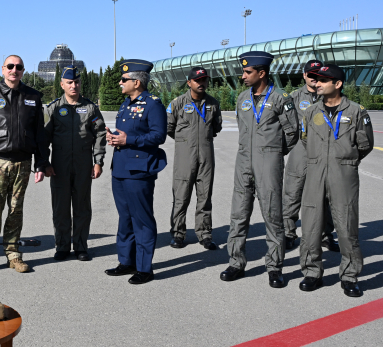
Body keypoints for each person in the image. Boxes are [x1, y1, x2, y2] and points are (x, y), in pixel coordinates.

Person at [220, 51, 298, 289]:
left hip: (268, 162)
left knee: (273, 215)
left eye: (247, 72)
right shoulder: (243, 97)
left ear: (261, 73)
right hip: (243, 161)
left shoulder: (281, 99)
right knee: (238, 214)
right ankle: (236, 262)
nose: (243, 76)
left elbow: (292, 133)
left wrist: (272, 152)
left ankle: (274, 267)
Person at [297, 63, 373, 297]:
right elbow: (305, 139)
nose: (316, 83)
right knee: (310, 225)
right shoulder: (311, 112)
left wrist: (344, 160)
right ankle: (311, 272)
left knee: (346, 225)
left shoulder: (357, 111)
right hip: (315, 172)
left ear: (337, 84)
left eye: (322, 80)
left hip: (344, 173)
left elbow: (365, 145)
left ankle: (350, 276)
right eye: (316, 80)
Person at [0, 55, 50, 274]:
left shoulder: (33, 96)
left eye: (19, 67)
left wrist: (41, 163)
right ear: (3, 69)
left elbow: (39, 134)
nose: (14, 70)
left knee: (16, 211)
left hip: (23, 163)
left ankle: (13, 255)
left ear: (23, 71)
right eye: (10, 66)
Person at [104, 60, 168, 285]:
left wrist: (127, 139)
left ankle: (144, 268)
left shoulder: (153, 104)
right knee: (125, 218)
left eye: (124, 80)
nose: (120, 83)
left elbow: (159, 136)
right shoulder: (126, 103)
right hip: (120, 168)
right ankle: (126, 262)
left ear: (137, 82)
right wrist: (114, 137)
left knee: (141, 219)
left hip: (139, 170)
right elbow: (126, 132)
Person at [43, 66, 106, 261]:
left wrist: (98, 161)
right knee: (60, 207)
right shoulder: (53, 108)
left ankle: (80, 247)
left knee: (82, 207)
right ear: (62, 84)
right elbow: (43, 137)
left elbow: (100, 134)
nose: (74, 85)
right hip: (59, 165)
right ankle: (62, 246)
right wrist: (45, 162)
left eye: (77, 82)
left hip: (83, 163)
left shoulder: (90, 107)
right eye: (69, 82)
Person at [282, 59, 337, 252]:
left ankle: (325, 235)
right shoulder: (294, 97)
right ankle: (288, 233)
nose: (315, 79)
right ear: (304, 76)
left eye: (319, 76)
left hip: (326, 152)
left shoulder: (331, 95)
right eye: (311, 75)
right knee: (292, 192)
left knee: (326, 195)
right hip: (301, 151)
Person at [167, 67, 222, 251]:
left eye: (204, 80)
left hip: (206, 156)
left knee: (205, 196)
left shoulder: (213, 104)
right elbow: (169, 127)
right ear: (189, 82)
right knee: (181, 196)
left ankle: (205, 234)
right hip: (185, 156)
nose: (201, 83)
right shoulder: (178, 103)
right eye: (197, 80)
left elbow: (216, 127)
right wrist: (186, 142)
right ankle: (178, 233)